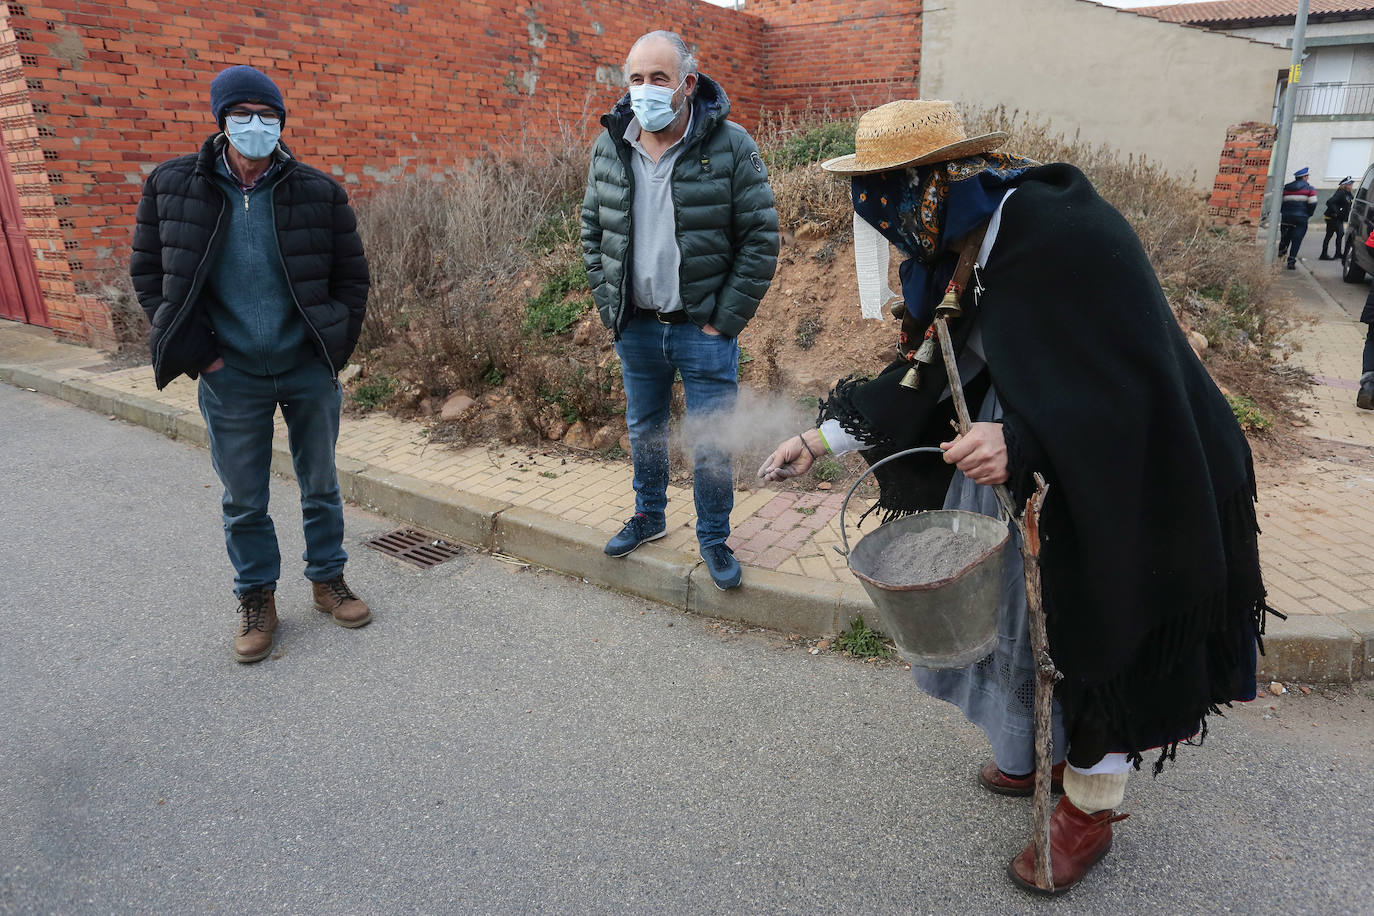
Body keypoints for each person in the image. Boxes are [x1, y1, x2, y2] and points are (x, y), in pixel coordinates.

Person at [760, 100, 1269, 895]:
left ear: (928, 183)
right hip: (1035, 459)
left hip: (1134, 460)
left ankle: (1090, 809)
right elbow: (929, 369)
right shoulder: (960, 245)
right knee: (1024, 616)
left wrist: (1024, 440)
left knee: (1101, 624)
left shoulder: (1058, 229)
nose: (879, 217)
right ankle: (1045, 748)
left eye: (884, 193)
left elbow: (1128, 384)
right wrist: (819, 440)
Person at [130, 65, 373, 663]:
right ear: (221, 121)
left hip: (305, 367)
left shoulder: (318, 191)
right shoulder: (171, 186)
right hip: (228, 371)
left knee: (321, 483)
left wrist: (330, 351)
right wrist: (202, 357)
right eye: (242, 115)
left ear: (282, 122)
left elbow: (353, 279)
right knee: (244, 498)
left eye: (267, 116)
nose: (255, 126)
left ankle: (327, 579)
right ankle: (256, 597)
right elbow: (151, 278)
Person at [580, 30, 779, 589]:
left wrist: (724, 322)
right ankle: (648, 515)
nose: (645, 90)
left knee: (712, 438)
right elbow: (593, 231)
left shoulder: (732, 144)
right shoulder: (611, 143)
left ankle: (714, 537)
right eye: (636, 79)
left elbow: (760, 239)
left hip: (702, 329)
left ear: (687, 84)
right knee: (644, 427)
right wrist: (609, 305)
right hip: (637, 327)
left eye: (658, 78)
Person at [1278, 166, 1317, 269]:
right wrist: (1308, 214)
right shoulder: (1310, 189)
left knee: (1285, 238)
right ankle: (1291, 261)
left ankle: (1280, 259)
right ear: (1304, 177)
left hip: (1286, 217)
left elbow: (1280, 202)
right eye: (1307, 176)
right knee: (1297, 240)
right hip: (1301, 218)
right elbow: (1313, 203)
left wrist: (1284, 212)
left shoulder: (1286, 188)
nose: (1308, 178)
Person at [1319, 176, 1354, 261]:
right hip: (1332, 217)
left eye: (1352, 184)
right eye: (1350, 184)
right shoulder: (1341, 192)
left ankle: (1338, 253)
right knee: (1331, 235)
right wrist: (1337, 212)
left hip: (1339, 219)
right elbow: (1329, 202)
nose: (1351, 186)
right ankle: (1324, 254)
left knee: (1339, 234)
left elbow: (1350, 203)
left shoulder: (1348, 194)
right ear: (1345, 185)